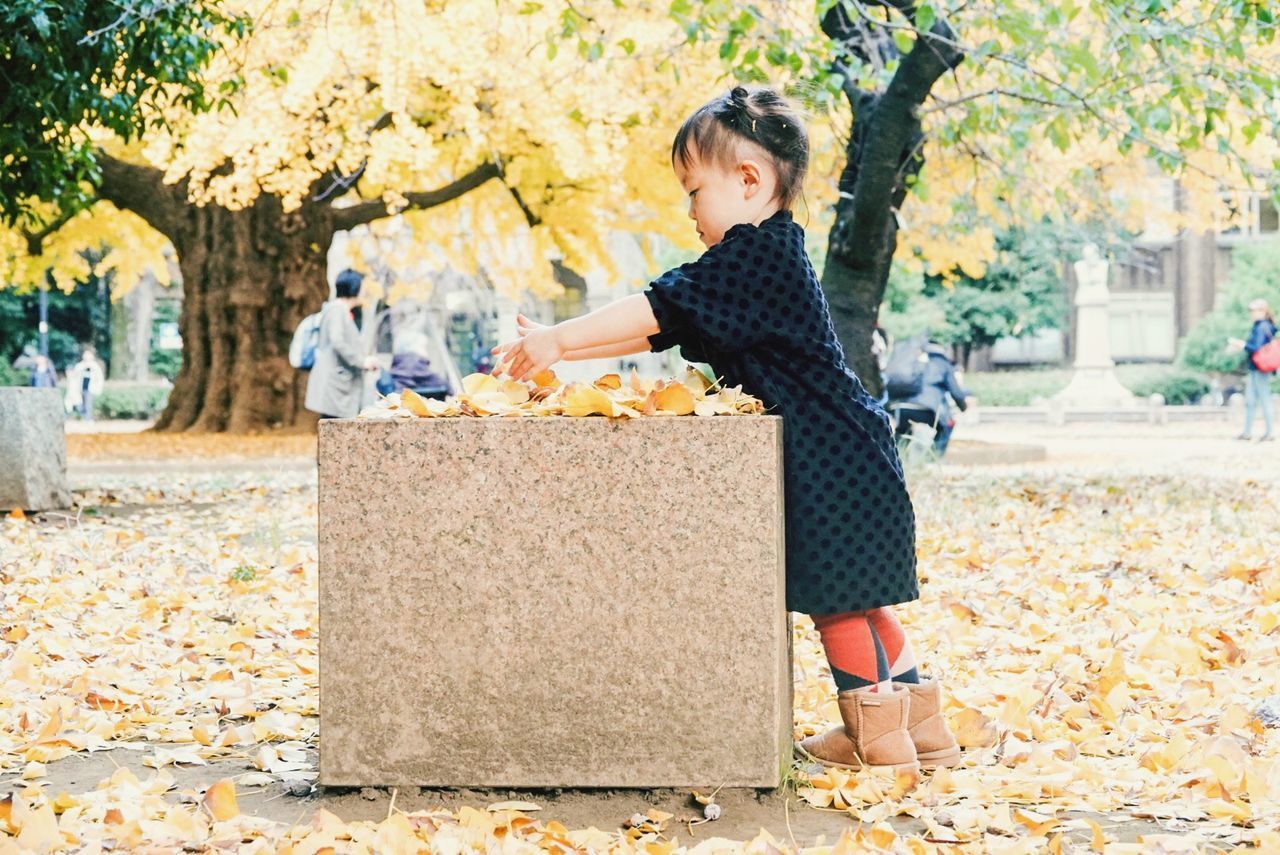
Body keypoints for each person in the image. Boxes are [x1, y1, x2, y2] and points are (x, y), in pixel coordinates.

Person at [491, 85, 958, 775]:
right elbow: (663, 324)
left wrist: (561, 337)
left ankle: (880, 740)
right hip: (851, 448)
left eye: (693, 190)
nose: (689, 211)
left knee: (838, 609)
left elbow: (656, 305)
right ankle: (923, 728)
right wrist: (559, 346)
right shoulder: (767, 257)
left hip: (828, 457)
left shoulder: (753, 257)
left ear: (748, 180)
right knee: (864, 603)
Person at [304, 269, 379, 420]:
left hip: (337, 385)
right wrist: (362, 361)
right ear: (354, 288)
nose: (364, 291)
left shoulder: (340, 311)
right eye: (362, 287)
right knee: (333, 431)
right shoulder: (337, 311)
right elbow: (337, 342)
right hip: (335, 387)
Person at [895, 340, 968, 456]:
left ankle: (896, 458)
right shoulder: (943, 365)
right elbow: (955, 392)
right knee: (946, 425)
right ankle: (933, 459)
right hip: (928, 409)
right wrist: (963, 406)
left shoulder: (914, 361)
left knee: (902, 431)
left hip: (902, 406)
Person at [1230, 298, 1276, 441]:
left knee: (1264, 398)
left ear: (1262, 311)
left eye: (1253, 310)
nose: (1251, 313)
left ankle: (1269, 433)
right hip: (1256, 368)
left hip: (1260, 368)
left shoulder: (1262, 327)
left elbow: (1255, 347)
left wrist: (1241, 344)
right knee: (1250, 400)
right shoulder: (1262, 326)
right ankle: (1247, 432)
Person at [64, 347, 105, 420]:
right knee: (78, 404)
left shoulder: (95, 366)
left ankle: (87, 419)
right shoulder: (79, 366)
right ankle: (83, 416)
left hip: (90, 388)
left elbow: (99, 378)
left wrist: (98, 388)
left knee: (88, 404)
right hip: (79, 388)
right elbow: (74, 377)